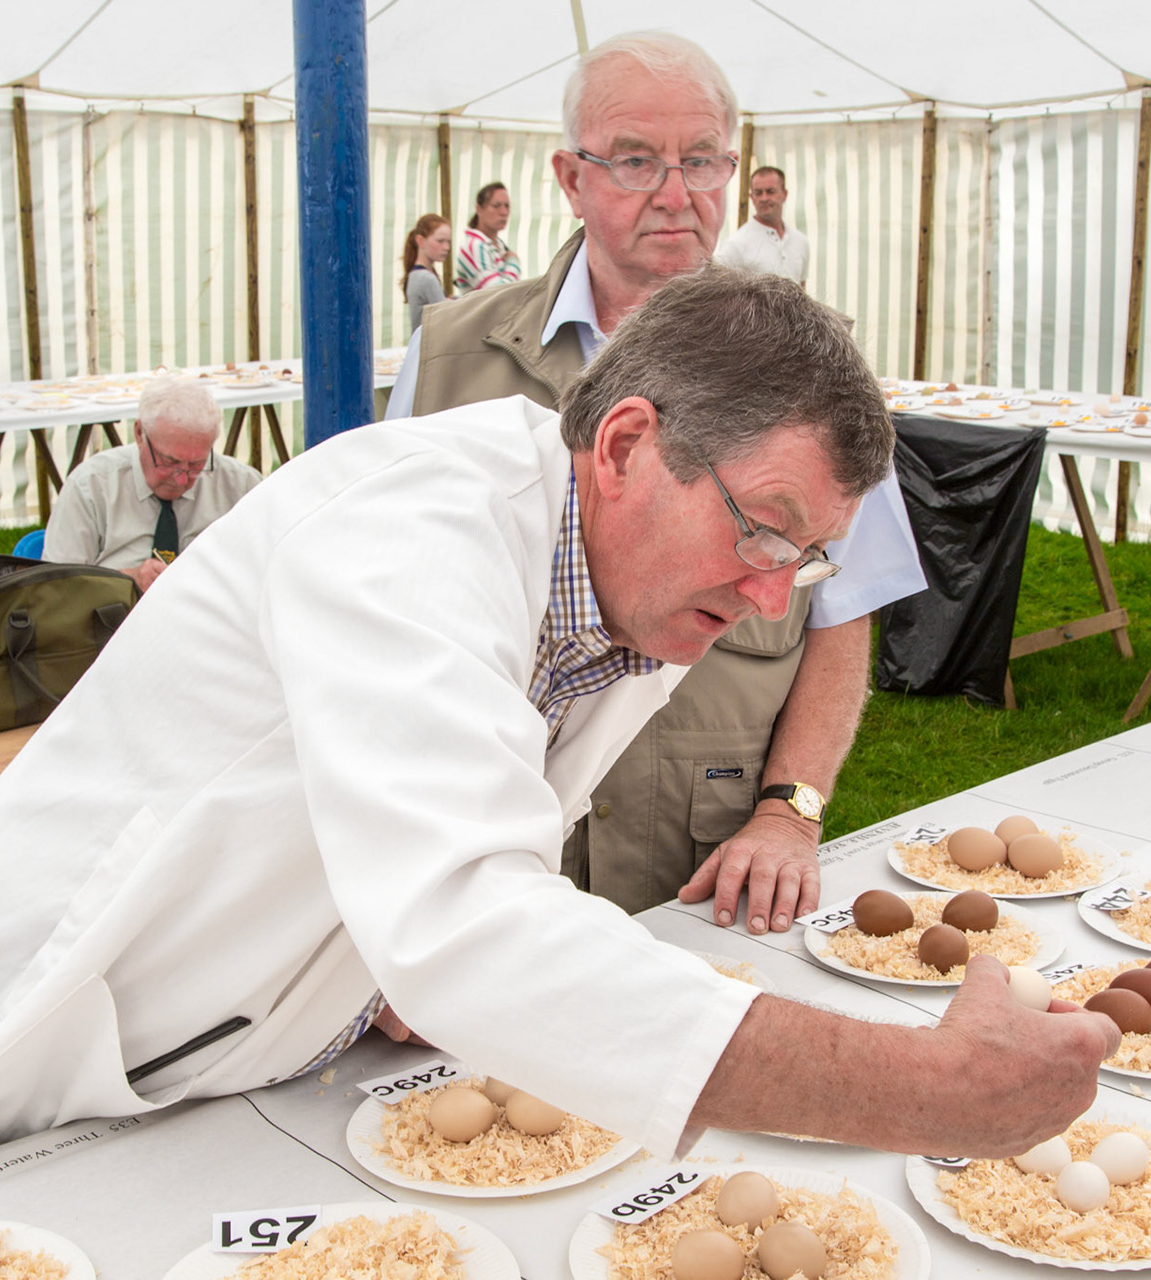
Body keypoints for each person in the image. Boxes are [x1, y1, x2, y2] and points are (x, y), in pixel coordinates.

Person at [0, 269, 1116, 1205]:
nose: (777, 592)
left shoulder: (638, 583)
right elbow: (473, 928)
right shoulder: (407, 535)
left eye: (811, 557)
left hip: (226, 1069)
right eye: (765, 529)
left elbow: (456, 835)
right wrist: (925, 1092)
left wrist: (361, 957)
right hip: (33, 1056)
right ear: (625, 445)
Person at [389, 32, 925, 930]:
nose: (677, 195)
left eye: (703, 160)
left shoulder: (813, 367)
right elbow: (393, 612)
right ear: (570, 177)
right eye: (636, 161)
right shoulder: (449, 354)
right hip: (489, 851)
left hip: (700, 860)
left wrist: (788, 813)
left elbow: (845, 612)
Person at [42, 377, 262, 592]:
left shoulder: (242, 486)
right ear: (139, 434)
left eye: (197, 464)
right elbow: (54, 586)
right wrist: (127, 580)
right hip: (114, 622)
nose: (182, 479)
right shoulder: (90, 486)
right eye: (169, 462)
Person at [715, 165, 810, 286]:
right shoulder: (735, 244)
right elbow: (718, 293)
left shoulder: (800, 241)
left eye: (770, 192)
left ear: (784, 194)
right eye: (758, 193)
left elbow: (802, 291)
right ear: (752, 198)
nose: (764, 198)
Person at [455, 181, 522, 293]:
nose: (504, 212)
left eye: (507, 206)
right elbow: (498, 294)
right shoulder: (475, 246)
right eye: (496, 206)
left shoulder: (498, 245)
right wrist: (513, 263)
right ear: (479, 209)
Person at [403, 214, 453, 335]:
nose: (446, 247)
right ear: (420, 241)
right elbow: (446, 317)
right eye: (440, 241)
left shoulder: (416, 274)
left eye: (448, 242)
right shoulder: (426, 278)